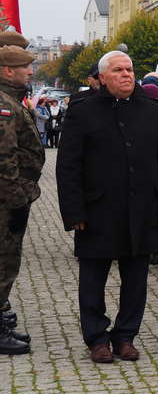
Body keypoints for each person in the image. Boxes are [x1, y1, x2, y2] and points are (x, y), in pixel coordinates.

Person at [56, 51, 158, 363]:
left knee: (136, 279)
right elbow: (68, 165)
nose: (126, 75)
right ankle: (97, 338)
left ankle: (125, 336)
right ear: (102, 77)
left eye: (129, 69)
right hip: (97, 210)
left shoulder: (151, 109)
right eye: (118, 70)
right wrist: (73, 211)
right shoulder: (83, 111)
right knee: (93, 279)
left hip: (142, 209)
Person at [0, 46, 44, 355]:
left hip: (12, 198)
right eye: (25, 67)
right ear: (7, 71)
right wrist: (17, 200)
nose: (30, 72)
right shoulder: (4, 106)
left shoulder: (11, 100)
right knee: (4, 264)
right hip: (7, 201)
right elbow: (4, 160)